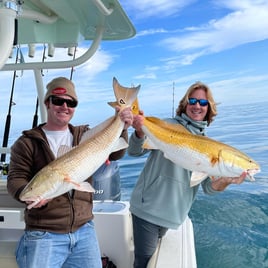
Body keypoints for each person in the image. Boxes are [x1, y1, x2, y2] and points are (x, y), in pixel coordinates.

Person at [7, 77, 133, 268]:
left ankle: (125, 98)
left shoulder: (83, 135)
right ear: (47, 103)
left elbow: (116, 154)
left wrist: (122, 126)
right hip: (44, 233)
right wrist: (27, 194)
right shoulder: (26, 143)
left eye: (71, 102)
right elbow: (15, 179)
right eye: (58, 101)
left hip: (85, 230)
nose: (64, 106)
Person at [128, 81, 247, 268]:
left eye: (203, 102)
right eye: (192, 100)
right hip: (147, 208)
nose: (197, 105)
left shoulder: (209, 146)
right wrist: (139, 132)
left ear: (209, 108)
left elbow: (208, 187)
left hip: (172, 215)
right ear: (185, 103)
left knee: (153, 258)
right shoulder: (167, 125)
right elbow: (134, 152)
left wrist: (227, 180)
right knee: (144, 262)